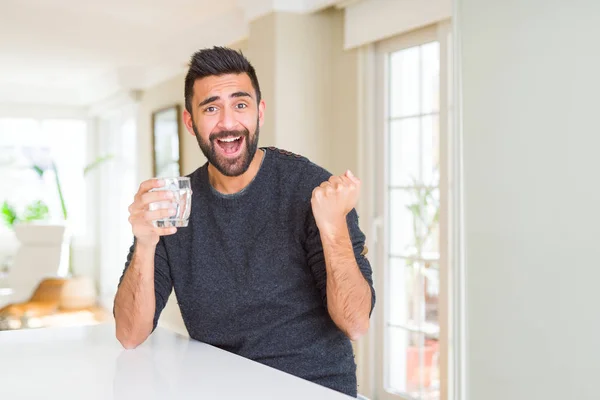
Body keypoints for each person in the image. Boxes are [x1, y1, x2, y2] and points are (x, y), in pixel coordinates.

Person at [113, 46, 375, 397]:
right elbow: (130, 335)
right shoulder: (175, 205)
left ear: (259, 112)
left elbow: (356, 323)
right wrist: (145, 245)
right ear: (190, 122)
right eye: (211, 108)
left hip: (312, 389)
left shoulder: (312, 190)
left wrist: (333, 227)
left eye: (240, 104)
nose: (228, 123)